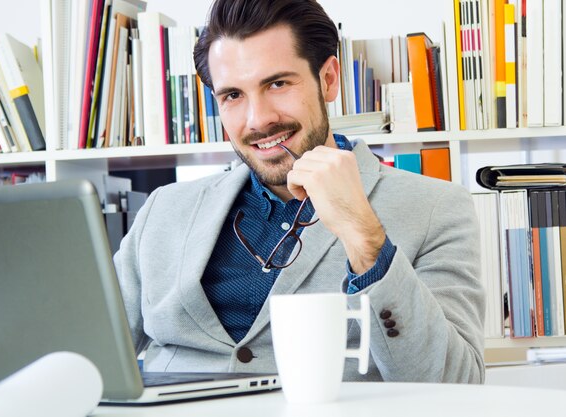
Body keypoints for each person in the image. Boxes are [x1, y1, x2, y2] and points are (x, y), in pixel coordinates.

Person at [114, 0, 485, 383]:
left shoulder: (438, 208)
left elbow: (456, 385)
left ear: (328, 79)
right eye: (233, 96)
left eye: (277, 84)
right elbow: (87, 353)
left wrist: (366, 239)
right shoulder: (164, 208)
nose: (258, 120)